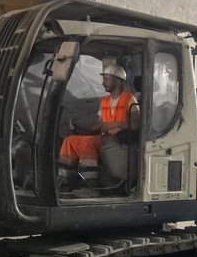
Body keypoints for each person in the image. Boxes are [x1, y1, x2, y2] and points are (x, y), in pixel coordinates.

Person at [59, 63, 138, 191]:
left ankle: (90, 183)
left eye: (106, 79)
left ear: (118, 81)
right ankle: (62, 179)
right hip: (104, 138)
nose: (102, 83)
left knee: (87, 143)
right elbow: (99, 124)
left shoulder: (129, 99)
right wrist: (78, 128)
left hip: (119, 139)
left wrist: (115, 125)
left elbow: (136, 124)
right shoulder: (105, 101)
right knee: (70, 140)